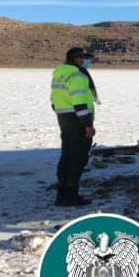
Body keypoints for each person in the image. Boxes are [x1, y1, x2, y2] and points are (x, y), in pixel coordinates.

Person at [50, 47, 97, 206]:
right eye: (84, 58)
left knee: (66, 157)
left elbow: (53, 101)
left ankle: (61, 194)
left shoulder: (60, 73)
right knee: (78, 159)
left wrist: (64, 116)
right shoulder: (76, 76)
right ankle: (71, 196)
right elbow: (79, 103)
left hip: (64, 120)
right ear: (77, 59)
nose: (87, 61)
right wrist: (88, 125)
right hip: (77, 122)